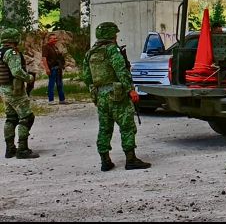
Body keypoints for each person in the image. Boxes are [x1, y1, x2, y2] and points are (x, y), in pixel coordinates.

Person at [82, 22, 151, 171]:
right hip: (117, 95)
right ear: (111, 35)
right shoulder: (112, 50)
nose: (116, 37)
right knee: (127, 126)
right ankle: (131, 159)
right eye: (115, 34)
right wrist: (130, 89)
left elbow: (87, 77)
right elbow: (121, 70)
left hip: (100, 96)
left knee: (105, 128)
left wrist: (95, 92)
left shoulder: (90, 53)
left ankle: (105, 161)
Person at [0, 28, 39, 159]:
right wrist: (29, 78)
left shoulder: (0, 51)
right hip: (15, 90)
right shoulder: (12, 53)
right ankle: (22, 149)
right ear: (15, 39)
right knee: (27, 117)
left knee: (10, 118)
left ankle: (10, 149)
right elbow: (16, 71)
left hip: (4, 89)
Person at [42, 33, 67, 104]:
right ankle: (51, 100)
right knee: (51, 84)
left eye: (56, 38)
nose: (55, 40)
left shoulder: (55, 47)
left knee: (60, 84)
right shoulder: (46, 47)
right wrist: (47, 69)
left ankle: (62, 100)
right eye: (54, 38)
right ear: (49, 39)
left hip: (58, 68)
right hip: (52, 68)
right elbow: (44, 58)